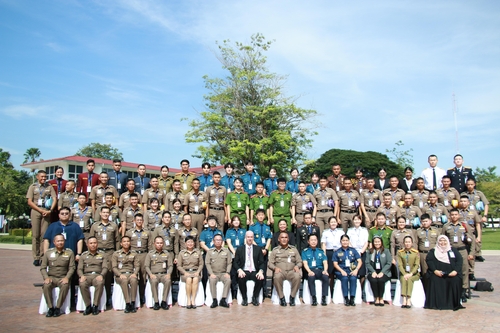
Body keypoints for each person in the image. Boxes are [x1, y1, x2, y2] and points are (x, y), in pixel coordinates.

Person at [43, 206, 84, 308]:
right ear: (59, 215)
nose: (64, 215)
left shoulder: (75, 226)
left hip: (70, 257)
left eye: (66, 213)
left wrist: (78, 253)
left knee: (71, 279)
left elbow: (80, 239)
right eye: (62, 213)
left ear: (70, 215)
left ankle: (70, 302)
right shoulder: (53, 226)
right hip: (55, 258)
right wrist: (46, 254)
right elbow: (46, 239)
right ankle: (52, 305)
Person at [89, 206, 120, 306]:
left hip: (110, 253)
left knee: (109, 274)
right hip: (98, 253)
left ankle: (107, 297)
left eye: (107, 212)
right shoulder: (95, 226)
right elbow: (91, 239)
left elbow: (117, 240)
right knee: (100, 274)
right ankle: (98, 299)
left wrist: (117, 253)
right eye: (104, 212)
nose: (106, 214)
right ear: (100, 214)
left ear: (110, 214)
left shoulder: (114, 226)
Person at [442, 208, 475, 303]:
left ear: (459, 215)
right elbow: (442, 239)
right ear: (450, 216)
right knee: (450, 270)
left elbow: (472, 240)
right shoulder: (446, 226)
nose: (454, 216)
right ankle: (451, 290)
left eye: (456, 214)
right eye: (452, 215)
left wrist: (471, 253)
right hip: (451, 251)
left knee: (464, 270)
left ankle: (463, 291)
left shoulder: (464, 226)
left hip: (462, 250)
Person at [425, 235, 464, 311]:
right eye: (440, 241)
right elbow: (429, 261)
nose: (442, 243)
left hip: (451, 273)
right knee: (434, 279)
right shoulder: (433, 251)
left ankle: (453, 304)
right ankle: (436, 303)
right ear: (437, 242)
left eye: (444, 241)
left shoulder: (453, 250)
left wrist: (455, 271)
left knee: (455, 280)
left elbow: (459, 260)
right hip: (437, 273)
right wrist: (435, 271)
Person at [40, 234, 75, 317]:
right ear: (54, 242)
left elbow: (72, 267)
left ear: (64, 241)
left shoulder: (69, 253)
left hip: (63, 277)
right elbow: (43, 267)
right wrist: (46, 278)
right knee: (46, 286)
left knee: (65, 286)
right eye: (58, 241)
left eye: (62, 241)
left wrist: (67, 278)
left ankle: (58, 308)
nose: (60, 243)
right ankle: (50, 307)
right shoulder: (48, 253)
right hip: (51, 277)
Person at [27, 170, 57, 266]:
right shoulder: (33, 187)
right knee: (36, 235)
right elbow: (30, 201)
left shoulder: (49, 187)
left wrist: (50, 210)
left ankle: (43, 256)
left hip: (46, 212)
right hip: (36, 211)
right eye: (42, 176)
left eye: (45, 176)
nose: (44, 178)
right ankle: (36, 257)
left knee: (44, 235)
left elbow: (54, 199)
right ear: (37, 177)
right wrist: (40, 211)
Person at [268, 232, 302, 306]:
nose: (284, 239)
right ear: (279, 239)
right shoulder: (275, 250)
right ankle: (281, 297)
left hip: (291, 271)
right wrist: (275, 268)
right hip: (281, 271)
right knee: (277, 277)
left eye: (286, 237)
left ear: (288, 239)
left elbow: (299, 261)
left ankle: (292, 297)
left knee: (297, 276)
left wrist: (297, 266)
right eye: (282, 238)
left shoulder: (293, 249)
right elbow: (270, 263)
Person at [233, 231, 266, 306]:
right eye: (248, 237)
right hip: (244, 270)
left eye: (251, 237)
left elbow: (261, 262)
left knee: (260, 278)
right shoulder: (240, 249)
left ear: (253, 238)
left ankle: (255, 297)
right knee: (241, 278)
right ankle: (244, 298)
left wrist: (261, 271)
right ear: (245, 238)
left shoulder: (258, 249)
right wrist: (239, 270)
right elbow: (235, 262)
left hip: (254, 271)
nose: (250, 239)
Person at [77, 236, 108, 315]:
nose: (93, 245)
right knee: (82, 284)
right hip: (86, 276)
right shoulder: (83, 255)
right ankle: (88, 306)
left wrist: (101, 275)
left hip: (97, 275)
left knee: (100, 283)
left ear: (97, 244)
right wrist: (81, 276)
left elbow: (105, 267)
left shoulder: (102, 254)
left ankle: (95, 305)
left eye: (95, 243)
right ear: (87, 244)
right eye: (91, 243)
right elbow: (79, 268)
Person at [125, 214, 151, 305]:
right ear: (134, 221)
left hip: (143, 254)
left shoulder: (147, 232)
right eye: (137, 220)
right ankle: (133, 297)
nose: (139, 221)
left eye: (141, 220)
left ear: (143, 221)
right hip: (133, 255)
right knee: (134, 275)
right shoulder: (129, 232)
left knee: (143, 276)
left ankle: (141, 295)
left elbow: (150, 246)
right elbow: (126, 244)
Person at [111, 236, 140, 313]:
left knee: (134, 280)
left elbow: (137, 266)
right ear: (121, 243)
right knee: (124, 281)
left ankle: (133, 303)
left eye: (128, 241)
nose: (126, 243)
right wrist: (119, 274)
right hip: (120, 275)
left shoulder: (134, 254)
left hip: (131, 274)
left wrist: (135, 273)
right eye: (124, 241)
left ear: (130, 243)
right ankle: (127, 303)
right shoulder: (116, 254)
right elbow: (114, 267)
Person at [145, 236, 173, 310]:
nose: (159, 244)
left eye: (161, 243)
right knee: (154, 282)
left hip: (164, 274)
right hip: (154, 274)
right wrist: (150, 274)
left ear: (163, 244)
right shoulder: (150, 254)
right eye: (157, 243)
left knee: (168, 281)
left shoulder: (167, 253)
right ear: (154, 244)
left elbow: (170, 266)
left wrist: (169, 274)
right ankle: (156, 302)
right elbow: (146, 266)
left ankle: (164, 301)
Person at [333, 234, 362, 306]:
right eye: (343, 240)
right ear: (340, 241)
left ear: (349, 241)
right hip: (341, 270)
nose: (345, 242)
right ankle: (346, 298)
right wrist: (341, 271)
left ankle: (352, 298)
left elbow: (360, 261)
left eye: (346, 240)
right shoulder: (337, 251)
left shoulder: (353, 250)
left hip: (352, 270)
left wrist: (356, 270)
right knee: (345, 278)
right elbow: (335, 264)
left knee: (353, 278)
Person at [301, 234, 329, 306]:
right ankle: (313, 297)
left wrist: (325, 270)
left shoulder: (321, 251)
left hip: (320, 270)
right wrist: (309, 271)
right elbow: (305, 263)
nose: (313, 242)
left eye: (315, 240)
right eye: (311, 240)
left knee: (325, 277)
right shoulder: (305, 252)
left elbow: (325, 262)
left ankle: (324, 297)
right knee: (311, 278)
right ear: (308, 241)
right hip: (311, 270)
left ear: (317, 241)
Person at [205, 234, 232, 308]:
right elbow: (207, 263)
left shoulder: (226, 251)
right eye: (216, 240)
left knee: (228, 280)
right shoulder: (210, 251)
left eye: (220, 240)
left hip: (223, 273)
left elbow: (229, 263)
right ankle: (214, 300)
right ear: (213, 241)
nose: (218, 241)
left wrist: (227, 272)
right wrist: (211, 273)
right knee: (212, 280)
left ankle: (223, 299)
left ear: (222, 241)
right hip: (214, 273)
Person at [415, 214, 440, 290]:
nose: (425, 223)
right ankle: (426, 289)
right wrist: (417, 253)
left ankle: (434, 289)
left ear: (430, 221)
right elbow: (416, 243)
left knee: (434, 271)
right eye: (423, 221)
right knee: (424, 272)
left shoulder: (435, 231)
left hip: (433, 254)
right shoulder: (418, 231)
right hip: (423, 253)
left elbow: (439, 242)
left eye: (426, 221)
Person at [177, 236, 203, 309]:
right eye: (188, 242)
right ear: (185, 243)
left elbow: (201, 264)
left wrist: (198, 272)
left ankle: (193, 300)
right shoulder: (181, 253)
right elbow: (179, 266)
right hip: (185, 272)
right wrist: (184, 272)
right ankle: (188, 300)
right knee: (188, 279)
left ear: (194, 243)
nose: (190, 243)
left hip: (195, 272)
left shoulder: (198, 252)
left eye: (191, 242)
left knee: (195, 279)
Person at [365, 236, 391, 306]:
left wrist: (382, 272)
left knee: (381, 280)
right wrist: (373, 271)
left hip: (384, 272)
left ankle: (381, 298)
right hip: (373, 272)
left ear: (381, 242)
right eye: (375, 242)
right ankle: (376, 298)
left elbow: (389, 263)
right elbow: (367, 263)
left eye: (378, 242)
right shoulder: (369, 251)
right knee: (373, 280)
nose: (377, 243)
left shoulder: (386, 251)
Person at [225, 216, 247, 297]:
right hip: (232, 252)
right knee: (233, 272)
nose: (236, 222)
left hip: (241, 251)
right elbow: (229, 243)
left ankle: (240, 289)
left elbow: (245, 242)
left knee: (241, 271)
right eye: (234, 220)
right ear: (232, 222)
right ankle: (234, 290)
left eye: (238, 220)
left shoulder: (244, 231)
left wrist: (240, 252)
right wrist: (234, 252)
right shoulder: (229, 231)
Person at [397, 236, 420, 308]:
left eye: (409, 242)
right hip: (404, 273)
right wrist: (404, 274)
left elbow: (416, 265)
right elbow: (400, 265)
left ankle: (409, 299)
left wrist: (411, 274)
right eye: (406, 242)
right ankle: (404, 299)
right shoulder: (400, 253)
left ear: (412, 243)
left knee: (409, 279)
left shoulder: (415, 253)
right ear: (403, 243)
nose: (407, 244)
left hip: (413, 274)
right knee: (404, 279)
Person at [347, 215, 369, 287]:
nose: (357, 221)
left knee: (362, 272)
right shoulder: (350, 230)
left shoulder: (364, 230)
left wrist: (362, 251)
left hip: (362, 252)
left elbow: (366, 242)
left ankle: (361, 290)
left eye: (358, 220)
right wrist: (354, 252)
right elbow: (348, 242)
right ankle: (354, 289)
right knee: (353, 271)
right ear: (353, 221)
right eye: (355, 220)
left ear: (361, 221)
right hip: (353, 252)